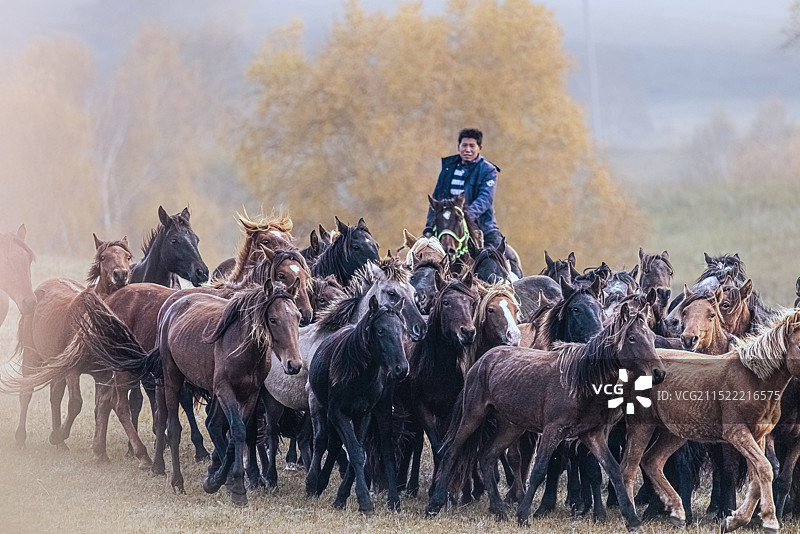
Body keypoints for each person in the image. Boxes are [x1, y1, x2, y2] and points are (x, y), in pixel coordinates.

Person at [423, 128, 504, 249]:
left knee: (500, 255)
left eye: (472, 146)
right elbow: (436, 199)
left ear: (479, 148)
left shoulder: (488, 170)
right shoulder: (448, 168)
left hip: (481, 225)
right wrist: (429, 226)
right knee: (421, 258)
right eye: (464, 145)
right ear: (458, 146)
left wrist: (464, 216)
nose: (468, 149)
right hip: (446, 225)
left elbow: (485, 199)